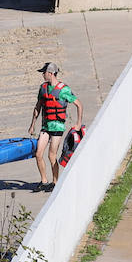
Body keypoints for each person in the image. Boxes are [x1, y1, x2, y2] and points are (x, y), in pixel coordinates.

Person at [28, 61, 83, 190]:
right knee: (38, 153)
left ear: (51, 73)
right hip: (45, 127)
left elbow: (79, 105)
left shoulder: (64, 90)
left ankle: (55, 182)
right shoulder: (43, 88)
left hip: (57, 127)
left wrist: (78, 124)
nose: (43, 75)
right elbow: (38, 107)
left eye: (44, 73)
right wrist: (32, 125)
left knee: (51, 155)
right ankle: (44, 181)